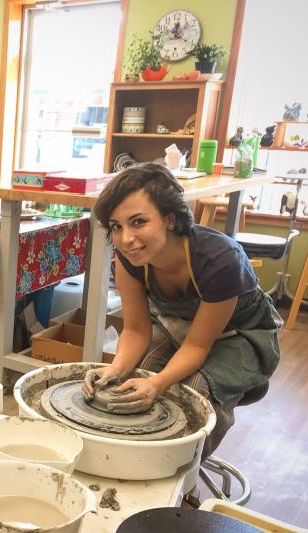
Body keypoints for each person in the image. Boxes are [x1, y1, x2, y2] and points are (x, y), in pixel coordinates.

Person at [84, 163, 281, 458]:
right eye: (116, 226)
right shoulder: (129, 258)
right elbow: (136, 330)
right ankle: (129, 461)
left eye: (138, 222)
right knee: (131, 381)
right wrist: (116, 369)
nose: (126, 239)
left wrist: (158, 383)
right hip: (179, 324)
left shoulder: (221, 260)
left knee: (193, 391)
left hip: (241, 335)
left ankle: (180, 480)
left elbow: (198, 345)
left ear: (170, 220)